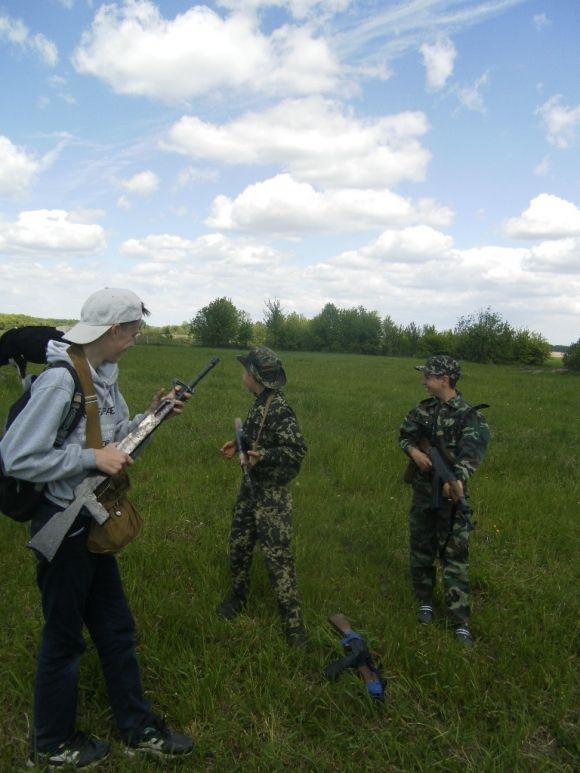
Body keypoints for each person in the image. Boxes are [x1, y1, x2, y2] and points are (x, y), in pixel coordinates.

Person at [0, 288, 195, 768]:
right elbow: (17, 456)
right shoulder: (60, 382)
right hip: (63, 528)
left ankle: (137, 728)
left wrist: (154, 415)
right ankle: (53, 743)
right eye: (133, 331)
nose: (134, 339)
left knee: (115, 630)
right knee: (65, 639)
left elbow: (114, 441)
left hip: (93, 520)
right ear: (113, 331)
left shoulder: (104, 378)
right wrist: (92, 457)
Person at [218, 346, 308, 647]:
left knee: (277, 557)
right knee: (239, 545)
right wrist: (239, 445)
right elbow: (259, 438)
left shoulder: (279, 407)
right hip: (250, 489)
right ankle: (238, 597)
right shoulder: (260, 403)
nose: (242, 375)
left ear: (254, 376)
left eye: (245, 370)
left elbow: (296, 450)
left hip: (271, 496)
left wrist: (264, 456)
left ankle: (294, 624)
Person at [398, 355, 489, 647]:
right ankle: (424, 600)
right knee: (421, 546)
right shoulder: (422, 410)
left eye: (428, 376)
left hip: (452, 495)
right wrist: (414, 453)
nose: (423, 380)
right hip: (424, 493)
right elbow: (404, 436)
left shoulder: (469, 416)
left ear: (444, 380)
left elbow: (471, 455)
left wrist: (457, 480)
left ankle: (459, 619)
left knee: (454, 556)